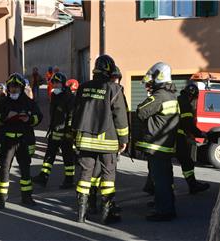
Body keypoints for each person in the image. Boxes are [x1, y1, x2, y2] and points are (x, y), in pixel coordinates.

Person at [72, 55, 129, 224]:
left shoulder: (83, 88)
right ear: (110, 70)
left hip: (85, 140)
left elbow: (75, 113)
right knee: (108, 176)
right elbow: (120, 117)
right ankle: (107, 214)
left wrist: (73, 135)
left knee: (85, 175)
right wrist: (124, 139)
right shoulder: (114, 89)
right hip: (107, 141)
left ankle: (81, 214)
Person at [136, 62, 180, 222]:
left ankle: (164, 211)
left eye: (151, 82)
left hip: (157, 146)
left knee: (160, 180)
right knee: (165, 178)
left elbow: (141, 112)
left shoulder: (159, 96)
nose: (149, 85)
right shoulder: (171, 96)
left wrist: (149, 96)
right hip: (165, 145)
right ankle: (165, 204)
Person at [0, 73, 43, 209]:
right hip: (7, 142)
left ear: (21, 88)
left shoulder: (29, 102)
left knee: (25, 170)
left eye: (16, 87)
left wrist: (29, 119)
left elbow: (39, 117)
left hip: (23, 141)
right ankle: (1, 199)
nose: (13, 90)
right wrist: (5, 116)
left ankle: (27, 197)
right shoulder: (2, 102)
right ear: (8, 88)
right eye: (11, 87)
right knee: (4, 170)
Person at [33, 72, 76, 189]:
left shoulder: (69, 97)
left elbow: (72, 115)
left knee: (67, 157)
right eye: (54, 83)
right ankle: (43, 177)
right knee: (49, 155)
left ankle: (69, 180)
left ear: (63, 84)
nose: (55, 85)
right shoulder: (55, 96)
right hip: (55, 131)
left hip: (65, 133)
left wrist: (69, 132)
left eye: (57, 83)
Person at [177, 84, 210, 193]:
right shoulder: (185, 103)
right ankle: (193, 186)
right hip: (177, 137)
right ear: (192, 95)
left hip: (174, 135)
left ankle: (151, 187)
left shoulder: (179, 99)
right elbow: (188, 124)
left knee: (163, 162)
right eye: (195, 98)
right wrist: (200, 133)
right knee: (186, 161)